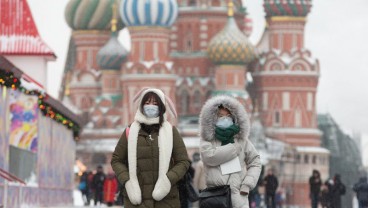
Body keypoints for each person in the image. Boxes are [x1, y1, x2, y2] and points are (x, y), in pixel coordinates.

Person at [111, 88, 190, 208]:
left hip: (166, 200)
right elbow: (116, 160)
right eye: (147, 103)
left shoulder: (171, 132)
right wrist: (128, 182)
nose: (151, 106)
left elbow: (183, 161)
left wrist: (167, 180)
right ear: (141, 106)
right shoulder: (130, 131)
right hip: (136, 200)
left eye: (155, 103)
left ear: (162, 107)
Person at [199, 95, 262, 208]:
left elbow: (255, 161)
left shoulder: (242, 140)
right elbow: (210, 157)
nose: (225, 119)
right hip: (216, 198)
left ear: (234, 118)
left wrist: (247, 184)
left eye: (228, 116)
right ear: (213, 118)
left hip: (239, 199)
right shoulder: (208, 140)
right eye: (220, 116)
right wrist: (234, 148)